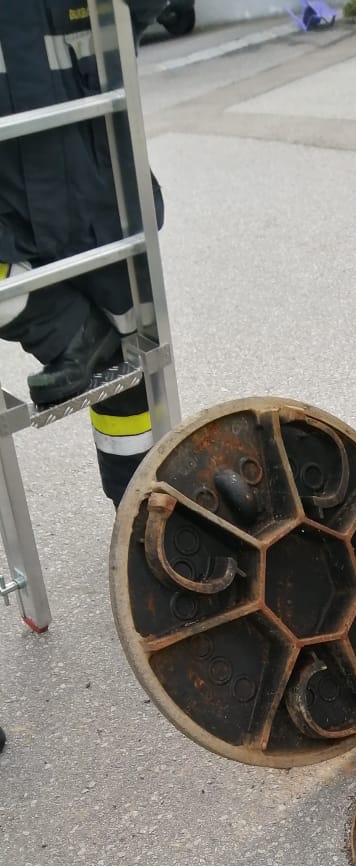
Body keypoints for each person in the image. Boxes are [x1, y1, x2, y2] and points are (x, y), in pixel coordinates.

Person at [0, 1, 166, 506]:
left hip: (101, 187)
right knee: (104, 351)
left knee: (133, 366)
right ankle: (70, 333)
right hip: (12, 207)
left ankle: (143, 513)